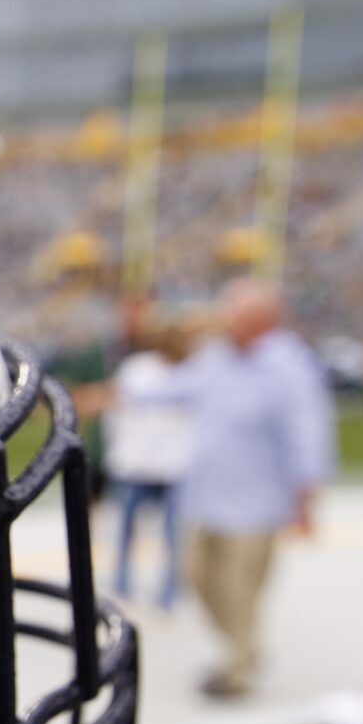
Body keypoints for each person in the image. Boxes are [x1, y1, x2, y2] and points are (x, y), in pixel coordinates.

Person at [177, 278, 335, 699]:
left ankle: (238, 670)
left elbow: (307, 434)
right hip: (207, 497)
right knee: (196, 576)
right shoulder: (216, 358)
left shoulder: (289, 366)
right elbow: (180, 388)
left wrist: (306, 497)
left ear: (260, 319)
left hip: (256, 504)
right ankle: (242, 647)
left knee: (241, 589)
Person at [104, 304, 194, 608]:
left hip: (176, 466)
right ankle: (122, 583)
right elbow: (118, 412)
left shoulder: (195, 372)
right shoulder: (138, 369)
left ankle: (169, 591)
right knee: (126, 530)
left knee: (174, 536)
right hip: (137, 463)